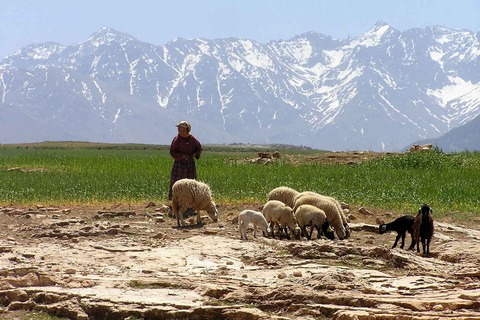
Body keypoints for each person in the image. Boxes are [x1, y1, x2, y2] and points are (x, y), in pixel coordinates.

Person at [168, 121, 202, 200]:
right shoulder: (176, 139)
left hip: (190, 164)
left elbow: (199, 149)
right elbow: (172, 151)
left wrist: (194, 154)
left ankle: (190, 202)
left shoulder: (193, 139)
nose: (181, 132)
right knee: (177, 183)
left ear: (188, 130)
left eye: (183, 130)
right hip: (179, 164)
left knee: (190, 183)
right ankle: (176, 201)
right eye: (179, 130)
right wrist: (181, 156)